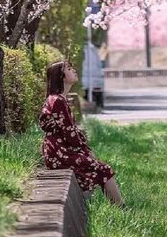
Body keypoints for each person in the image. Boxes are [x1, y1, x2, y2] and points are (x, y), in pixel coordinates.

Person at [39, 61, 123, 206]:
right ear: (61, 76)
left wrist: (85, 150)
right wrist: (86, 151)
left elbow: (69, 132)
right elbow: (69, 133)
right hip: (59, 153)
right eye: (70, 69)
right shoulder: (57, 101)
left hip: (59, 150)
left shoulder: (58, 99)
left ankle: (107, 204)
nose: (74, 71)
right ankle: (120, 206)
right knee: (103, 168)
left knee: (96, 168)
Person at [82, 40, 104, 109]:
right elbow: (99, 64)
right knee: (97, 92)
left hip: (84, 78)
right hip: (96, 78)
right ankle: (97, 106)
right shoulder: (92, 49)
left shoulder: (91, 48)